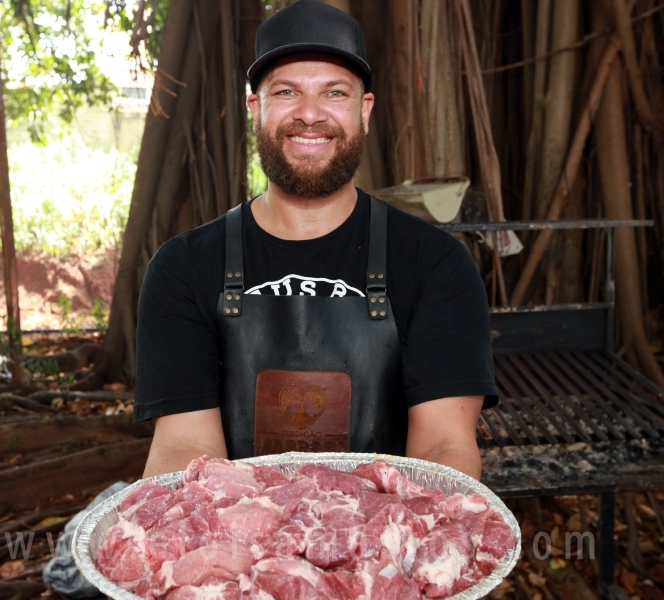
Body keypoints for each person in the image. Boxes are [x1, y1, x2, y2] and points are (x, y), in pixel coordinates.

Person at [135, 0, 497, 480]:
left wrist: (413, 544)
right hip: (239, 537)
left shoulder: (434, 263)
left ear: (364, 110)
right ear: (255, 108)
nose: (310, 114)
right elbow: (184, 446)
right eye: (286, 91)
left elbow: (442, 443)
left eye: (334, 93)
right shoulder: (183, 268)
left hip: (388, 538)